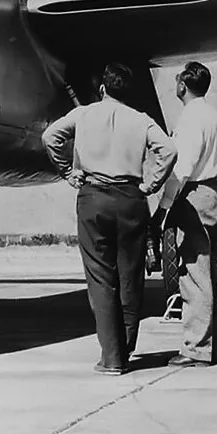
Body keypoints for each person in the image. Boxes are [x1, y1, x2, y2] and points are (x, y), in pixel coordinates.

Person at [42, 63, 177, 374]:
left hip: (94, 199)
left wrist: (67, 172)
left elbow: (50, 137)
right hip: (131, 198)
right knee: (131, 278)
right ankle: (127, 346)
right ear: (126, 92)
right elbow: (168, 150)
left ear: (102, 89)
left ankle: (112, 357)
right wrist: (152, 184)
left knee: (102, 280)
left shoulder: (83, 114)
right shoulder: (140, 120)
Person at [158, 61, 217, 367]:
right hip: (215, 193)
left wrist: (163, 207)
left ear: (183, 86)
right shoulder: (214, 117)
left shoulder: (190, 118)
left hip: (195, 196)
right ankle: (212, 345)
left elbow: (183, 167)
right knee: (213, 271)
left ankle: (196, 348)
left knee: (194, 273)